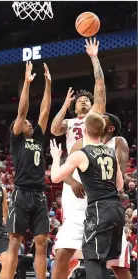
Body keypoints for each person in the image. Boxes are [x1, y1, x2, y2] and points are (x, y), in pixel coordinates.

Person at [51, 37, 106, 278]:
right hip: (72, 173)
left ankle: (89, 262)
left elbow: (100, 86)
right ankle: (70, 260)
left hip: (93, 170)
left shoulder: (95, 117)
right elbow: (54, 129)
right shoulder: (70, 120)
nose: (84, 101)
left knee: (97, 232)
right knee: (71, 230)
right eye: (80, 101)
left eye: (87, 100)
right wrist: (65, 104)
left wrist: (94, 57)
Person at [50, 112, 125, 279]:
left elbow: (55, 177)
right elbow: (120, 185)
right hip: (117, 209)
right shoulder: (111, 152)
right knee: (103, 261)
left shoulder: (81, 154)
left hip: (99, 210)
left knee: (93, 261)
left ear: (84, 129)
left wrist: (56, 157)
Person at [68, 112, 132, 279]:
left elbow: (119, 178)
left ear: (109, 128)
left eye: (103, 118)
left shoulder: (117, 142)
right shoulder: (82, 144)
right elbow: (63, 172)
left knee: (117, 266)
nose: (98, 118)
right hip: (87, 209)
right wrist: (74, 183)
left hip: (105, 206)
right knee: (88, 258)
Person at [5, 61, 52, 279]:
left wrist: (48, 85)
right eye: (25, 123)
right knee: (14, 242)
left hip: (39, 195)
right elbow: (22, 111)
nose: (29, 124)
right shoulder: (17, 140)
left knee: (41, 242)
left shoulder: (39, 140)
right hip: (21, 193)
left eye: (29, 124)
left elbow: (44, 111)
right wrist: (26, 83)